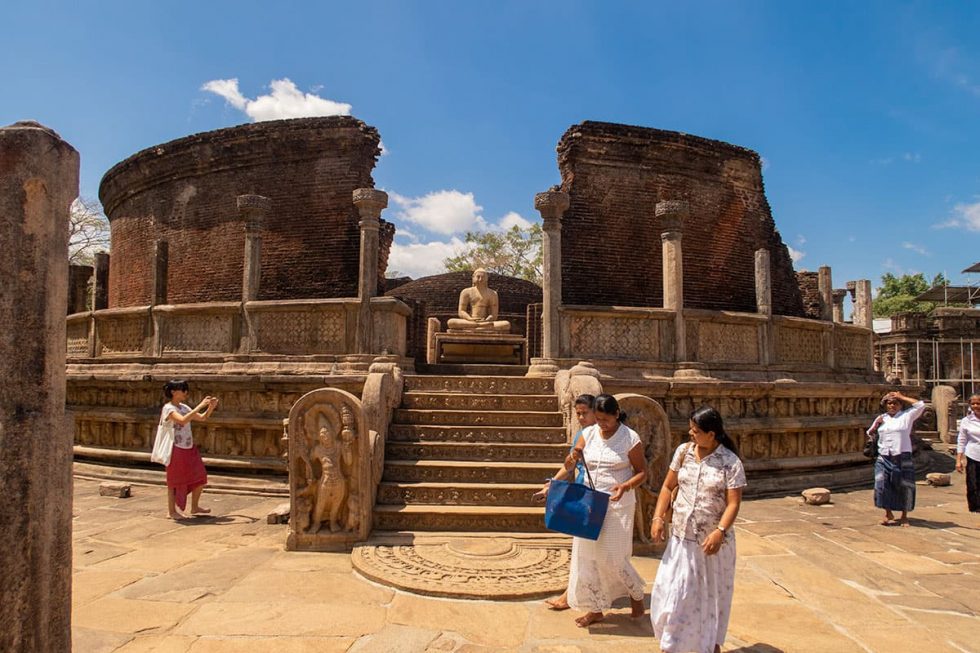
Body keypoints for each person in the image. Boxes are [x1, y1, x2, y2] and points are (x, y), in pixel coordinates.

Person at [649, 406, 746, 653]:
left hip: (711, 544)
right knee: (671, 593)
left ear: (711, 434)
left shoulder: (729, 462)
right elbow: (667, 487)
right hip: (682, 539)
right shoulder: (683, 453)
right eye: (690, 429)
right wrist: (658, 517)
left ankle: (707, 644)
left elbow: (733, 503)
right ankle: (672, 644)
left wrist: (720, 531)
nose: (691, 434)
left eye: (695, 431)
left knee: (710, 599)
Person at [563, 394, 647, 627]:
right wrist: (574, 456)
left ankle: (636, 593)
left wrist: (626, 485)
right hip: (589, 504)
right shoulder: (589, 434)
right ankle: (595, 608)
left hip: (617, 505)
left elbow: (641, 472)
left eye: (606, 420)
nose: (601, 424)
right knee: (587, 557)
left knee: (612, 557)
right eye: (598, 419)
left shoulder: (630, 438)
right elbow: (572, 460)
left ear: (617, 414)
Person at [532, 394, 596, 610]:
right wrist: (550, 484)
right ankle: (572, 593)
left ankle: (572, 594)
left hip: (598, 496)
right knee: (583, 548)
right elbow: (569, 466)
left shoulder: (605, 436)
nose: (580, 417)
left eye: (584, 413)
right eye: (577, 413)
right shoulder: (582, 434)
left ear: (597, 412)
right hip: (582, 494)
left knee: (590, 550)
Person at [160, 380, 217, 519]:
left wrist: (210, 408)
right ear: (173, 392)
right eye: (183, 390)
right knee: (175, 480)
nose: (186, 393)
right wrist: (200, 405)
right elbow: (182, 420)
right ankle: (171, 511)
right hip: (175, 447)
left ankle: (195, 507)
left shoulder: (184, 407)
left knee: (200, 475)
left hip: (188, 446)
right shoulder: (168, 408)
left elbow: (202, 418)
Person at [868, 390, 925, 527]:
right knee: (882, 484)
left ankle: (904, 515)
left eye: (895, 403)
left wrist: (902, 396)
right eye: (889, 403)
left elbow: (921, 405)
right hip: (884, 455)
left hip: (901, 455)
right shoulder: (882, 418)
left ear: (900, 405)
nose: (892, 406)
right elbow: (870, 432)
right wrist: (875, 427)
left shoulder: (906, 416)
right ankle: (888, 513)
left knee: (904, 484)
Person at [446, 268, 511, 332]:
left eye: (483, 277)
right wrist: (470, 318)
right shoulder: (466, 292)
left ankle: (477, 325)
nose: (480, 279)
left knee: (506, 324)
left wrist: (487, 319)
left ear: (486, 279)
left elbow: (494, 314)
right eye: (478, 277)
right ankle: (480, 325)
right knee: (451, 322)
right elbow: (461, 311)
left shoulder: (493, 293)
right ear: (473, 278)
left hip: (486, 321)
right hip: (471, 321)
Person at [955, 393, 980, 513]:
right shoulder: (966, 421)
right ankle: (975, 507)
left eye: (978, 403)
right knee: (973, 482)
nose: (976, 406)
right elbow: (962, 440)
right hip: (973, 454)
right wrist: (958, 460)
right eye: (973, 403)